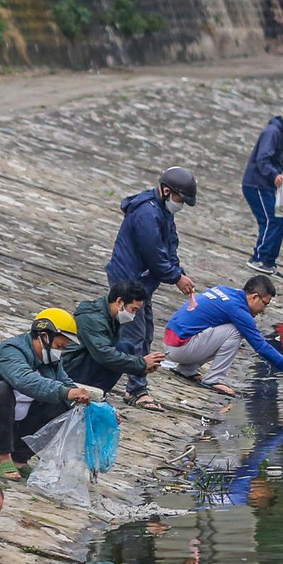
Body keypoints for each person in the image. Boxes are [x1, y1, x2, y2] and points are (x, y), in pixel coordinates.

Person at [0, 309, 93, 482]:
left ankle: (19, 458)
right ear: (44, 336)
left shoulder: (51, 363)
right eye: (59, 347)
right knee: (1, 392)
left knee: (63, 403)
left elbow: (67, 386)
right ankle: (2, 457)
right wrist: (66, 392)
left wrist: (100, 408)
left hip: (16, 429)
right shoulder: (11, 350)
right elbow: (24, 380)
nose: (60, 353)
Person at [105, 166, 200, 412]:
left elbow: (170, 246)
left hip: (142, 284)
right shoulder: (147, 214)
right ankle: (136, 390)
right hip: (128, 282)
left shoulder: (163, 212)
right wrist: (176, 277)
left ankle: (132, 384)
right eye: (180, 198)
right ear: (167, 191)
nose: (180, 204)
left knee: (145, 332)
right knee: (135, 335)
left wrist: (179, 270)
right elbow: (155, 256)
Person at [162, 275, 283, 398]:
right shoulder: (238, 310)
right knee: (235, 331)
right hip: (180, 347)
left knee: (223, 329)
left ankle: (186, 370)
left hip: (171, 341)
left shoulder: (225, 291)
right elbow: (261, 346)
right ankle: (213, 379)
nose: (264, 310)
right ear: (254, 297)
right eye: (265, 304)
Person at [63, 280, 166, 396]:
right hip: (71, 369)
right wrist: (142, 363)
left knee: (126, 348)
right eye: (133, 309)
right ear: (119, 301)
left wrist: (142, 368)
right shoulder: (92, 318)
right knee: (121, 349)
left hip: (87, 361)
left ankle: (98, 393)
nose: (134, 315)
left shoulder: (111, 317)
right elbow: (104, 354)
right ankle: (92, 394)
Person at [241, 106, 283, 275]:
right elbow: (263, 158)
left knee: (278, 221)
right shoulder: (273, 132)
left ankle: (269, 262)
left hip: (265, 184)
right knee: (271, 221)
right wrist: (273, 175)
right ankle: (259, 258)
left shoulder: (279, 133)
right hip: (257, 184)